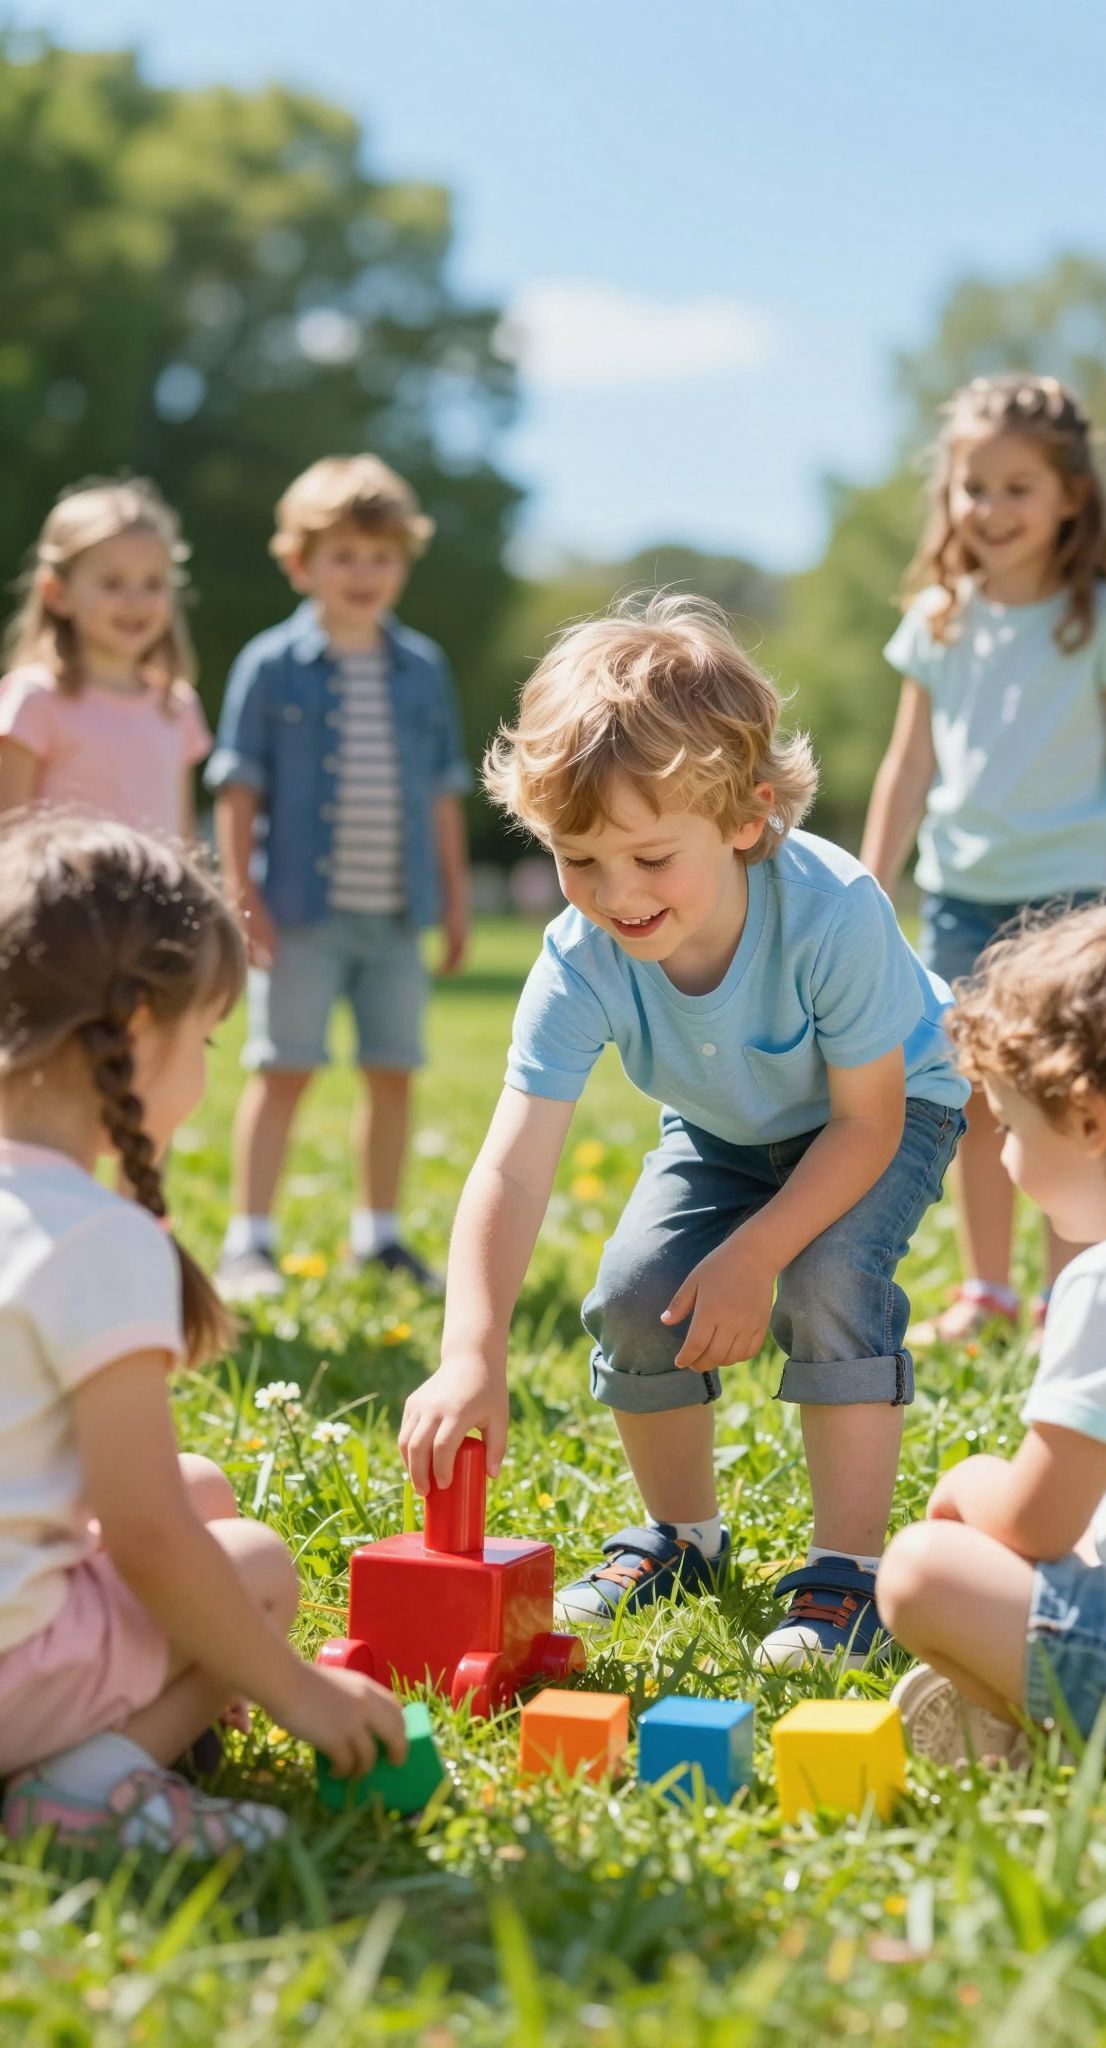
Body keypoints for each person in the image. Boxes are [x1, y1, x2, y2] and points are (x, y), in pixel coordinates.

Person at [400, 595, 968, 1669]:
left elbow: (866, 1121)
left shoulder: (834, 911)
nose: (614, 895)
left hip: (885, 1108)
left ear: (747, 817)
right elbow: (512, 1167)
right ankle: (681, 1536)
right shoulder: (580, 954)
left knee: (827, 1279)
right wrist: (470, 1349)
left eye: (651, 858)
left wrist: (756, 1251)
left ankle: (847, 1572)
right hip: (722, 1130)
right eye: (578, 858)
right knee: (633, 1290)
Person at [0, 814, 405, 1854]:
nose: (210, 1070)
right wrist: (303, 1693)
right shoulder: (97, 1236)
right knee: (254, 1563)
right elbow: (144, 1536)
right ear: (137, 1028)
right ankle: (87, 1784)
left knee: (206, 1488)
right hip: (12, 1670)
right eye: (210, 1038)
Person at [861, 374, 1106, 1347]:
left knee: (1074, 1101)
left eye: (1017, 486)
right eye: (972, 486)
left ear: (1071, 492)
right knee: (979, 1101)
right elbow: (907, 766)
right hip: (962, 899)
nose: (991, 508)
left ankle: (1072, 1297)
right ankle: (988, 1290)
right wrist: (867, 884)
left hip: (1078, 900)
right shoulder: (940, 615)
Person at [878, 903, 1106, 1765]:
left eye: (1009, 1125)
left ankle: (1066, 1740)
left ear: (1088, 1122)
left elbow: (1035, 1521)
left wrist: (964, 1482)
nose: (999, 1155)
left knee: (922, 1569)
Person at [206, 455, 472, 1304]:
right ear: (301, 564)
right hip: (299, 915)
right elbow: (237, 786)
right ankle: (249, 1240)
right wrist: (240, 901)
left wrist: (456, 901)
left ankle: (380, 1233)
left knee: (392, 1070)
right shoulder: (271, 664)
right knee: (282, 1069)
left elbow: (442, 793)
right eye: (344, 557)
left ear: (404, 562)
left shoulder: (422, 668)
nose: (364, 575)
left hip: (396, 916)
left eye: (381, 557)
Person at [0, 477, 212, 839]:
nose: (136, 600)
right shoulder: (35, 701)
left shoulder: (176, 706)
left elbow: (184, 841)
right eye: (112, 583)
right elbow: (7, 838)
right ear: (57, 594)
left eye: (153, 584)